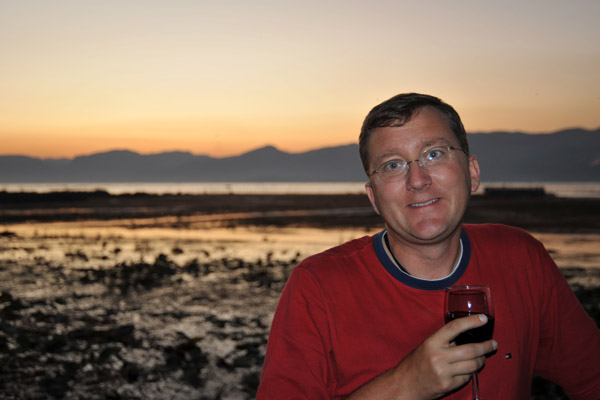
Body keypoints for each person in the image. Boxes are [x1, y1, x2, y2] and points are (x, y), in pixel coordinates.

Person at [256, 93, 600, 399]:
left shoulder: (521, 258)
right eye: (393, 165)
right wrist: (404, 386)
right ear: (374, 197)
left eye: (434, 154)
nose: (417, 180)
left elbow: (591, 378)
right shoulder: (317, 287)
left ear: (472, 172)